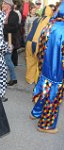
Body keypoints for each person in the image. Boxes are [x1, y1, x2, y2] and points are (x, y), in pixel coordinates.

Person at [30, 2, 64, 134]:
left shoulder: (51, 24)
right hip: (57, 73)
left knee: (44, 90)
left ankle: (36, 112)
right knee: (53, 97)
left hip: (46, 69)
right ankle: (46, 125)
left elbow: (41, 49)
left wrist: (42, 65)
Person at [25, 6, 53, 84]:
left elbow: (30, 30)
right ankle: (37, 80)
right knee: (39, 62)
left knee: (30, 61)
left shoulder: (36, 19)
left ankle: (29, 79)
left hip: (29, 42)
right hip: (38, 43)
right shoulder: (50, 20)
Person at [2, 0, 20, 67]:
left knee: (11, 56)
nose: (2, 5)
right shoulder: (2, 14)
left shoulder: (14, 15)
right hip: (3, 38)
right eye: (2, 3)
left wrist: (1, 26)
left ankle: (12, 71)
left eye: (4, 4)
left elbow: (13, 27)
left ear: (9, 5)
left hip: (11, 38)